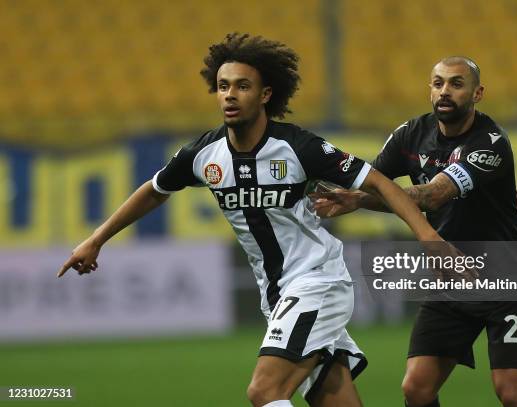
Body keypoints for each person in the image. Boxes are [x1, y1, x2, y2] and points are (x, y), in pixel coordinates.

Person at [57, 33, 447, 407]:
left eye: (242, 86)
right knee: (333, 398)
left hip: (317, 282)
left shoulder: (297, 147)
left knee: (264, 391)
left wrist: (427, 235)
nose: (229, 94)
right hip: (276, 295)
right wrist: (97, 239)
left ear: (265, 95)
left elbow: (378, 181)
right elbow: (155, 189)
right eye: (223, 85)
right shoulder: (203, 154)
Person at [312, 57, 517, 407]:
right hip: (452, 273)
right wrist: (354, 196)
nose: (445, 91)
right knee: (416, 388)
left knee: (513, 394)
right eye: (438, 83)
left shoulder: (490, 144)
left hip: (508, 275)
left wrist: (359, 200)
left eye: (456, 84)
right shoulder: (411, 134)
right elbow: (374, 184)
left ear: (477, 93)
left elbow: (432, 195)